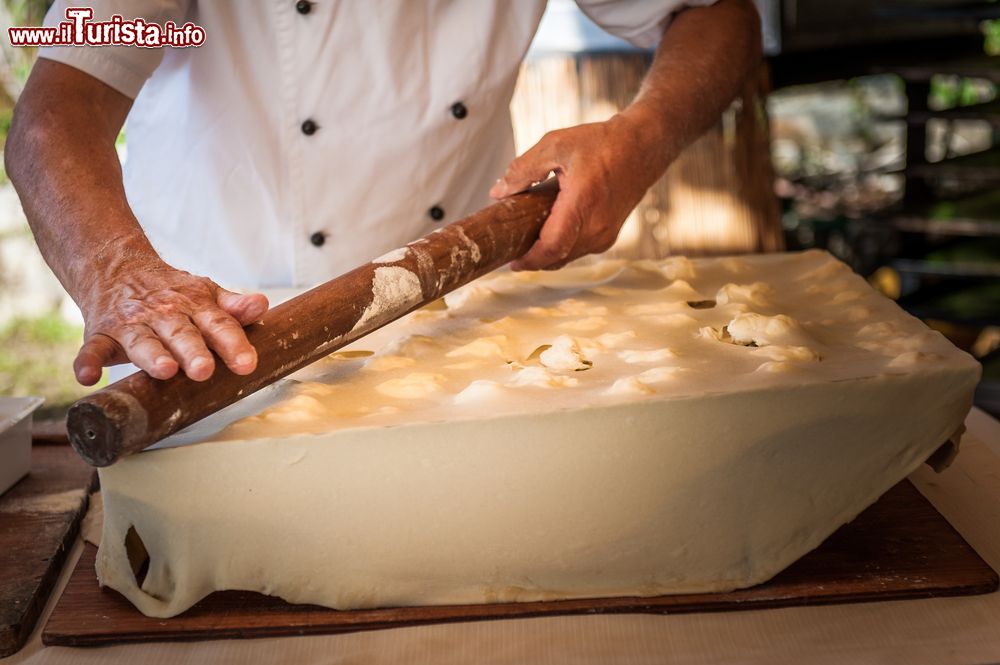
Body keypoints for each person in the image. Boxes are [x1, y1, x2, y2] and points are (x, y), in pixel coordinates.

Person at [6, 0, 761, 387]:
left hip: (460, 330)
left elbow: (717, 13)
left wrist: (641, 136)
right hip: (215, 340)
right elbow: (57, 114)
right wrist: (118, 273)